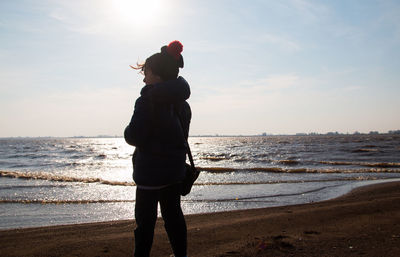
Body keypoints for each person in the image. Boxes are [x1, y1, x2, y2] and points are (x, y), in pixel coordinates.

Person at [124, 40, 191, 257]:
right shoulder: (183, 104)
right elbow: (181, 138)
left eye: (147, 73)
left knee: (144, 224)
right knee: (174, 219)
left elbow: (134, 136)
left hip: (148, 176)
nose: (144, 79)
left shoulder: (146, 101)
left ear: (158, 76)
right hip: (173, 173)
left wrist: (127, 132)